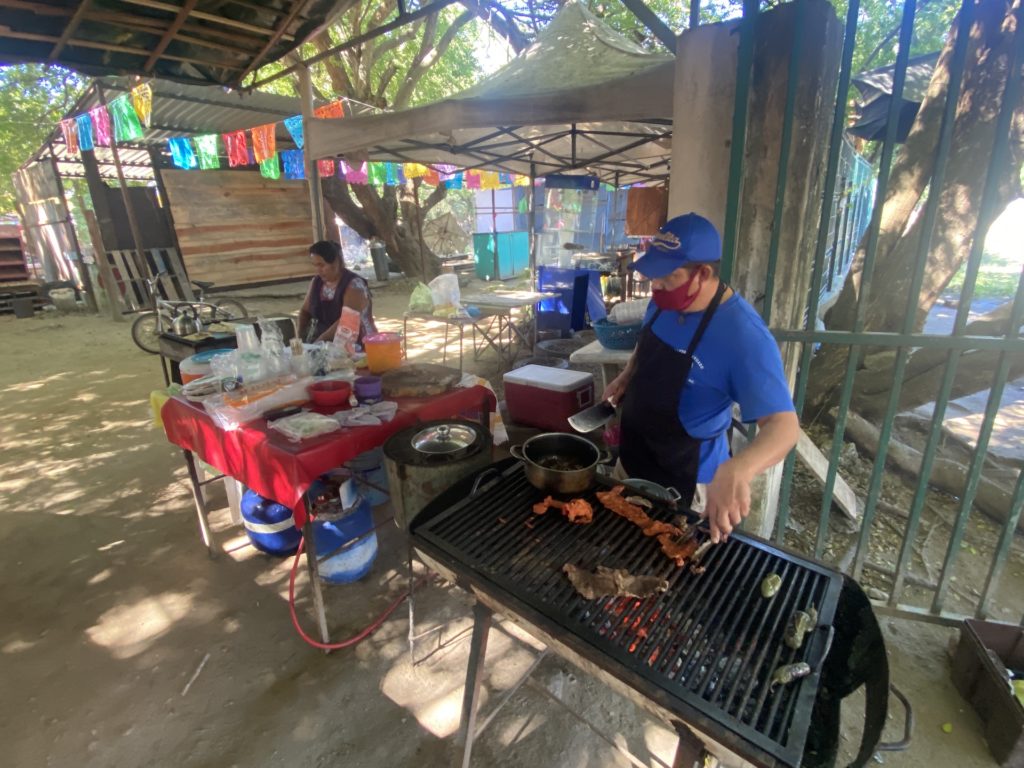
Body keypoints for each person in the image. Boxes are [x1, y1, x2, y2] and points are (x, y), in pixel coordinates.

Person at [603, 213, 799, 544]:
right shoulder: (663, 300)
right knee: (617, 544)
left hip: (685, 480)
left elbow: (785, 426)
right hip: (633, 457)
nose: (656, 286)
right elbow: (645, 346)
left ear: (703, 274)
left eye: (668, 277)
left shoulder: (744, 336)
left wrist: (739, 468)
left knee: (665, 561)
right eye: (654, 277)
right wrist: (627, 374)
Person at [297, 240, 377, 345]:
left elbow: (347, 322)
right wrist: (299, 339)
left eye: (321, 265)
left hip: (357, 344)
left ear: (336, 262)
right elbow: (305, 312)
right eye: (315, 265)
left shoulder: (354, 285)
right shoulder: (316, 282)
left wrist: (318, 344)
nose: (318, 270)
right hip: (326, 344)